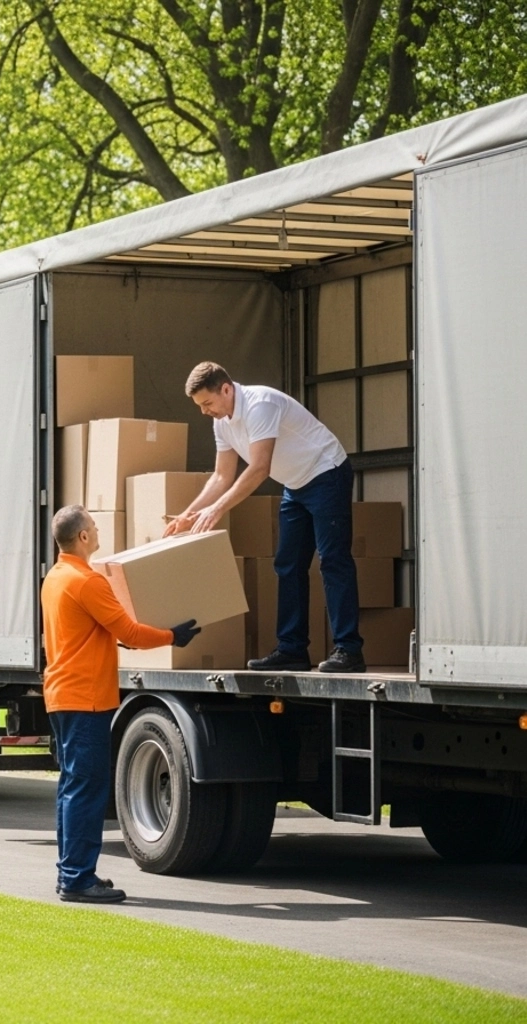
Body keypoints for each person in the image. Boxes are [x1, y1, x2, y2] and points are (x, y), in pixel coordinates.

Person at [42, 505, 200, 904]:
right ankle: (78, 879)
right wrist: (171, 636)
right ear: (81, 537)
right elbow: (128, 630)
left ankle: (71, 872)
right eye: (93, 527)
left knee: (71, 787)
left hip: (62, 694)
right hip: (86, 698)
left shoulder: (55, 577)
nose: (97, 532)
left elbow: (109, 632)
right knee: (87, 789)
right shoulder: (88, 582)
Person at [165, 362, 364, 673]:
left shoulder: (261, 405)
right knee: (287, 564)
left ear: (226, 389)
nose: (205, 412)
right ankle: (292, 649)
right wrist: (189, 514)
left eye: (207, 403)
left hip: (326, 473)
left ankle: (349, 650)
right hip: (296, 485)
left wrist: (217, 510)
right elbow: (221, 477)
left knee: (332, 560)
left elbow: (259, 469)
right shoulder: (222, 423)